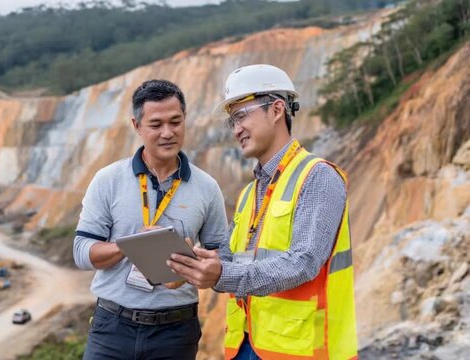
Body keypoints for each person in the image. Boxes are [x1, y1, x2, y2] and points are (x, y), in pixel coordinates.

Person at [167, 64, 358, 360]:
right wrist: (192, 263)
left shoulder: (317, 177)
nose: (236, 129)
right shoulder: (249, 194)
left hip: (301, 349)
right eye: (232, 121)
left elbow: (304, 262)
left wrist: (222, 273)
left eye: (242, 115)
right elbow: (231, 258)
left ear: (277, 109)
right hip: (248, 344)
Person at [73, 79, 228, 360]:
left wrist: (194, 266)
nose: (167, 133)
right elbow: (82, 253)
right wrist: (132, 245)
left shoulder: (207, 187)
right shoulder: (108, 180)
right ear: (136, 126)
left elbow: (223, 257)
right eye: (156, 125)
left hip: (176, 333)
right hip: (112, 328)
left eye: (175, 122)